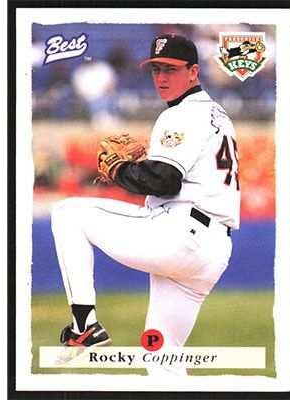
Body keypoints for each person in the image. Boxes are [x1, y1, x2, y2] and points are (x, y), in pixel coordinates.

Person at [51, 34, 241, 375]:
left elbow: (163, 181)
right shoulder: (218, 114)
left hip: (180, 233)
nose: (162, 78)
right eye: (156, 69)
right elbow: (169, 175)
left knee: (67, 213)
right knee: (161, 356)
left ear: (194, 72)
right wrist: (139, 169)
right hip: (212, 251)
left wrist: (120, 170)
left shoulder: (182, 114)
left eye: (171, 69)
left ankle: (84, 326)